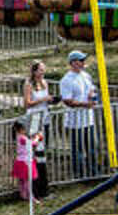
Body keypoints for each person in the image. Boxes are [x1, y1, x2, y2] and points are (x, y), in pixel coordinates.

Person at [59, 49, 97, 179]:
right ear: (73, 63)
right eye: (81, 60)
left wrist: (92, 95)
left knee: (92, 146)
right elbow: (67, 100)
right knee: (78, 149)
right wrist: (84, 105)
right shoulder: (66, 80)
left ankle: (93, 172)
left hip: (88, 119)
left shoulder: (85, 75)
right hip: (75, 121)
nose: (83, 62)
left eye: (83, 60)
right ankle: (79, 173)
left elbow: (91, 88)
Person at [23, 60, 54, 197]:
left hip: (44, 117)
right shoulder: (29, 84)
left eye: (43, 70)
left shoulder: (45, 83)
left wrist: (50, 100)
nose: (43, 72)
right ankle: (37, 188)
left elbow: (46, 99)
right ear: (35, 71)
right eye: (40, 70)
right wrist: (42, 100)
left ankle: (43, 185)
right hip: (34, 119)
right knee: (37, 152)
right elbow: (27, 103)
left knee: (43, 153)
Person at [12, 121, 43, 203]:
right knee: (28, 181)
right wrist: (37, 137)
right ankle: (30, 197)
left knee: (22, 180)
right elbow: (32, 144)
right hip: (25, 162)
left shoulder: (19, 137)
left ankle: (23, 195)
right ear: (21, 129)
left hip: (20, 161)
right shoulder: (22, 138)